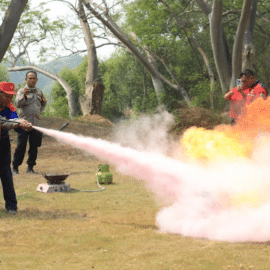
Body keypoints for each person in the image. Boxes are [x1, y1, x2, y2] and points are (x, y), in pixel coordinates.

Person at [0, 82, 32, 214]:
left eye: (11, 96)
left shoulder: (10, 107)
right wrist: (17, 123)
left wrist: (23, 125)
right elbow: (4, 122)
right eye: (7, 96)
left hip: (3, 143)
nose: (9, 99)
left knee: (6, 173)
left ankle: (12, 206)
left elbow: (14, 122)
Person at [12, 71, 46, 175]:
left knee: (34, 147)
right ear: (26, 79)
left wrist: (41, 108)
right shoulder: (22, 91)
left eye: (34, 78)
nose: (32, 80)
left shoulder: (39, 92)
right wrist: (25, 96)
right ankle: (15, 168)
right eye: (30, 78)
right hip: (23, 124)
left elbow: (42, 105)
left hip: (36, 124)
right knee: (21, 146)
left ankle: (30, 168)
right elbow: (17, 104)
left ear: (36, 80)